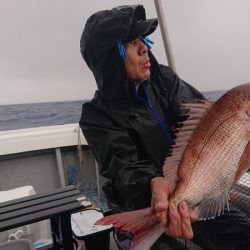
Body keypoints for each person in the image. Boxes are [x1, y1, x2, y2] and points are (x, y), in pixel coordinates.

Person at [79, 4, 250, 250]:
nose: (144, 48)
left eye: (143, 39)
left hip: (190, 191)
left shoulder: (164, 80)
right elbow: (125, 167)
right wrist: (153, 183)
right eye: (130, 43)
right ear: (108, 57)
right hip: (141, 203)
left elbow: (207, 125)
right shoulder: (96, 116)